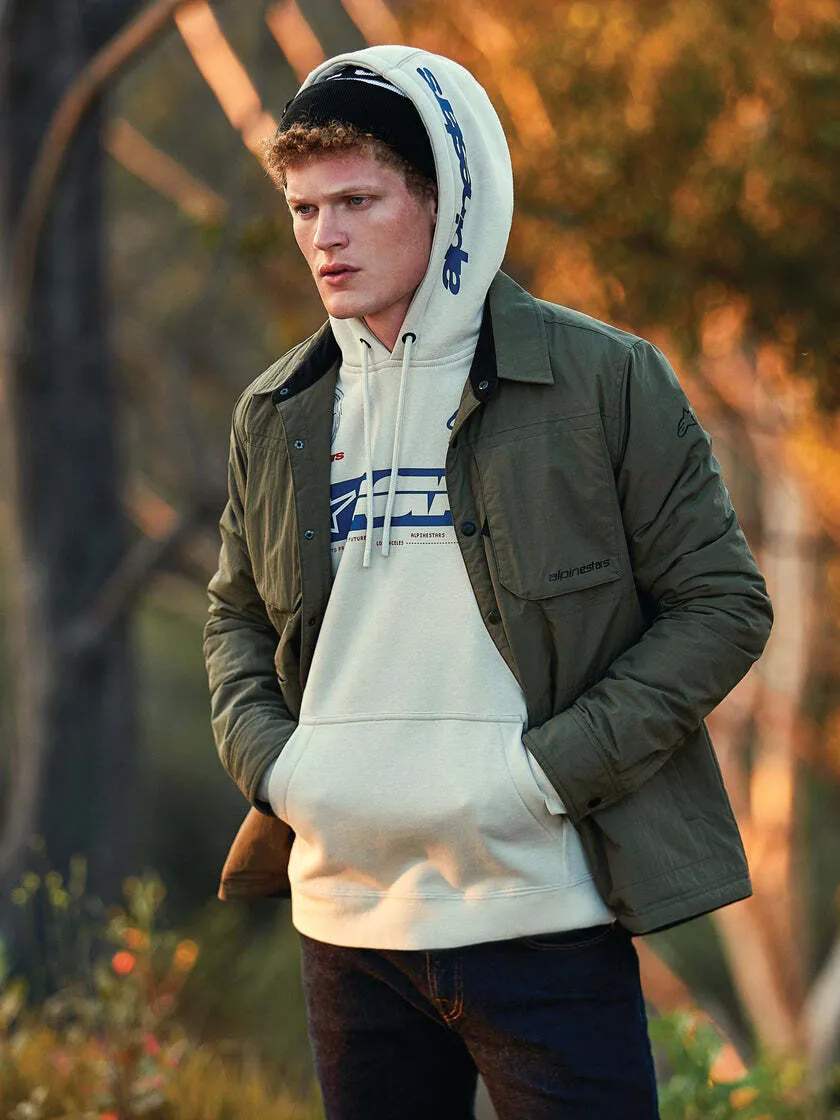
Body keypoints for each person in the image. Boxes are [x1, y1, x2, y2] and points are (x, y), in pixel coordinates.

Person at [204, 46, 773, 1120]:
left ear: (446, 200)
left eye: (357, 202)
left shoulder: (603, 380)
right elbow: (235, 615)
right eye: (304, 209)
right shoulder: (277, 411)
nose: (324, 238)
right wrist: (284, 772)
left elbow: (722, 606)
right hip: (346, 929)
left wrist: (545, 776)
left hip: (542, 915)